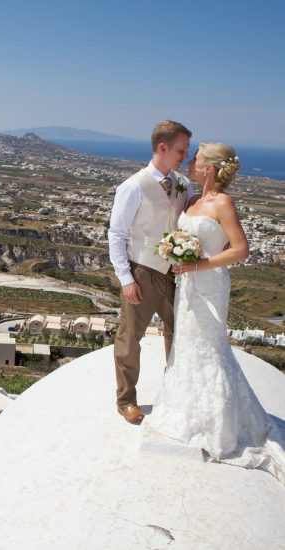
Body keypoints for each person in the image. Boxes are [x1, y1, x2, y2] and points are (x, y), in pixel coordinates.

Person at [144, 143, 285, 484]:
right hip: (188, 285)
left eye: (196, 159)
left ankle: (216, 424)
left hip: (209, 284)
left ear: (209, 167)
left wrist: (199, 264)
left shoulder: (222, 203)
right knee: (187, 343)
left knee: (209, 346)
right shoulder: (192, 200)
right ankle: (186, 411)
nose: (191, 162)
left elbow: (241, 249)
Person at [108, 120, 194, 424]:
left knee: (179, 334)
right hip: (143, 271)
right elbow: (116, 234)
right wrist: (126, 279)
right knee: (131, 338)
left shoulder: (184, 183)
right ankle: (126, 400)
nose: (186, 155)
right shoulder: (134, 186)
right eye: (181, 149)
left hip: (176, 274)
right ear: (163, 147)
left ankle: (174, 392)